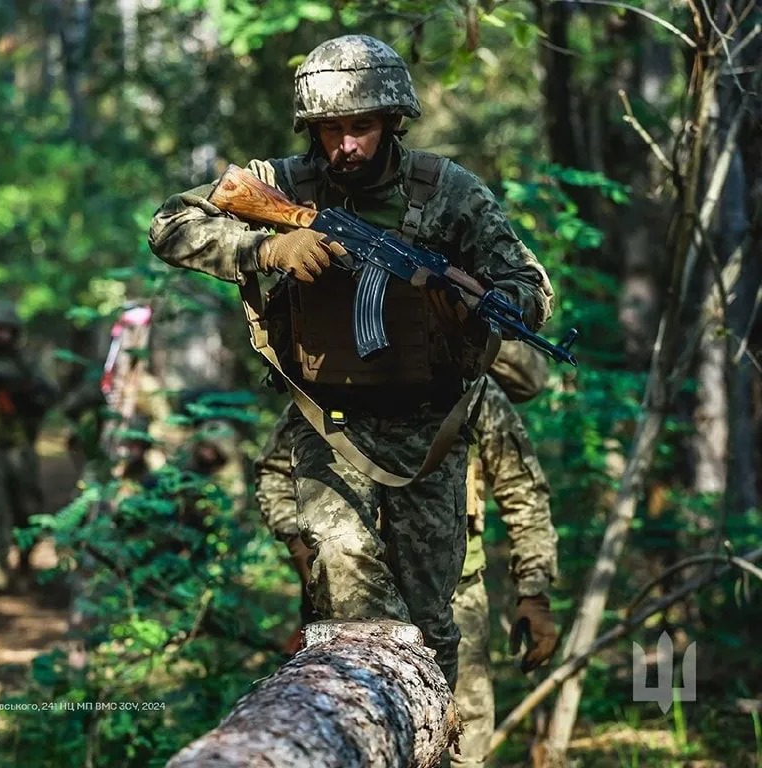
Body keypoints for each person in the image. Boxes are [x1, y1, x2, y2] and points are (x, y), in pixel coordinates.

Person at [149, 34, 555, 686]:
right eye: (330, 128)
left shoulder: (450, 192)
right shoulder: (283, 181)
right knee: (340, 579)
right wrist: (266, 251)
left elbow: (528, 281)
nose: (345, 145)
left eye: (361, 127)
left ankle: (429, 730)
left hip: (431, 429)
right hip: (329, 424)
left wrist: (491, 303)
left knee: (431, 618)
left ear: (393, 121)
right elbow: (169, 224)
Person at [255, 342, 560, 767]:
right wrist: (300, 546)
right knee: (359, 726)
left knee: (464, 744)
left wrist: (534, 591)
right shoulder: (336, 391)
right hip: (352, 601)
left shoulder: (471, 393)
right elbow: (274, 471)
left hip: (455, 598)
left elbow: (522, 491)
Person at [0, 298, 58, 592]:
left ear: (14, 332)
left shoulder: (29, 363)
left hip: (21, 447)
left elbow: (48, 396)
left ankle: (24, 561)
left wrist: (20, 394)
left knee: (27, 509)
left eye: (4, 329)